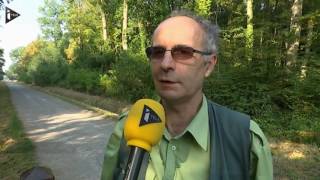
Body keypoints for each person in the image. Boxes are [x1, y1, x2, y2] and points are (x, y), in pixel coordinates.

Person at [101, 10, 273, 180]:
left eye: (183, 52)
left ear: (209, 65)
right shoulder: (127, 126)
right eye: (158, 52)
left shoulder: (245, 139)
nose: (166, 64)